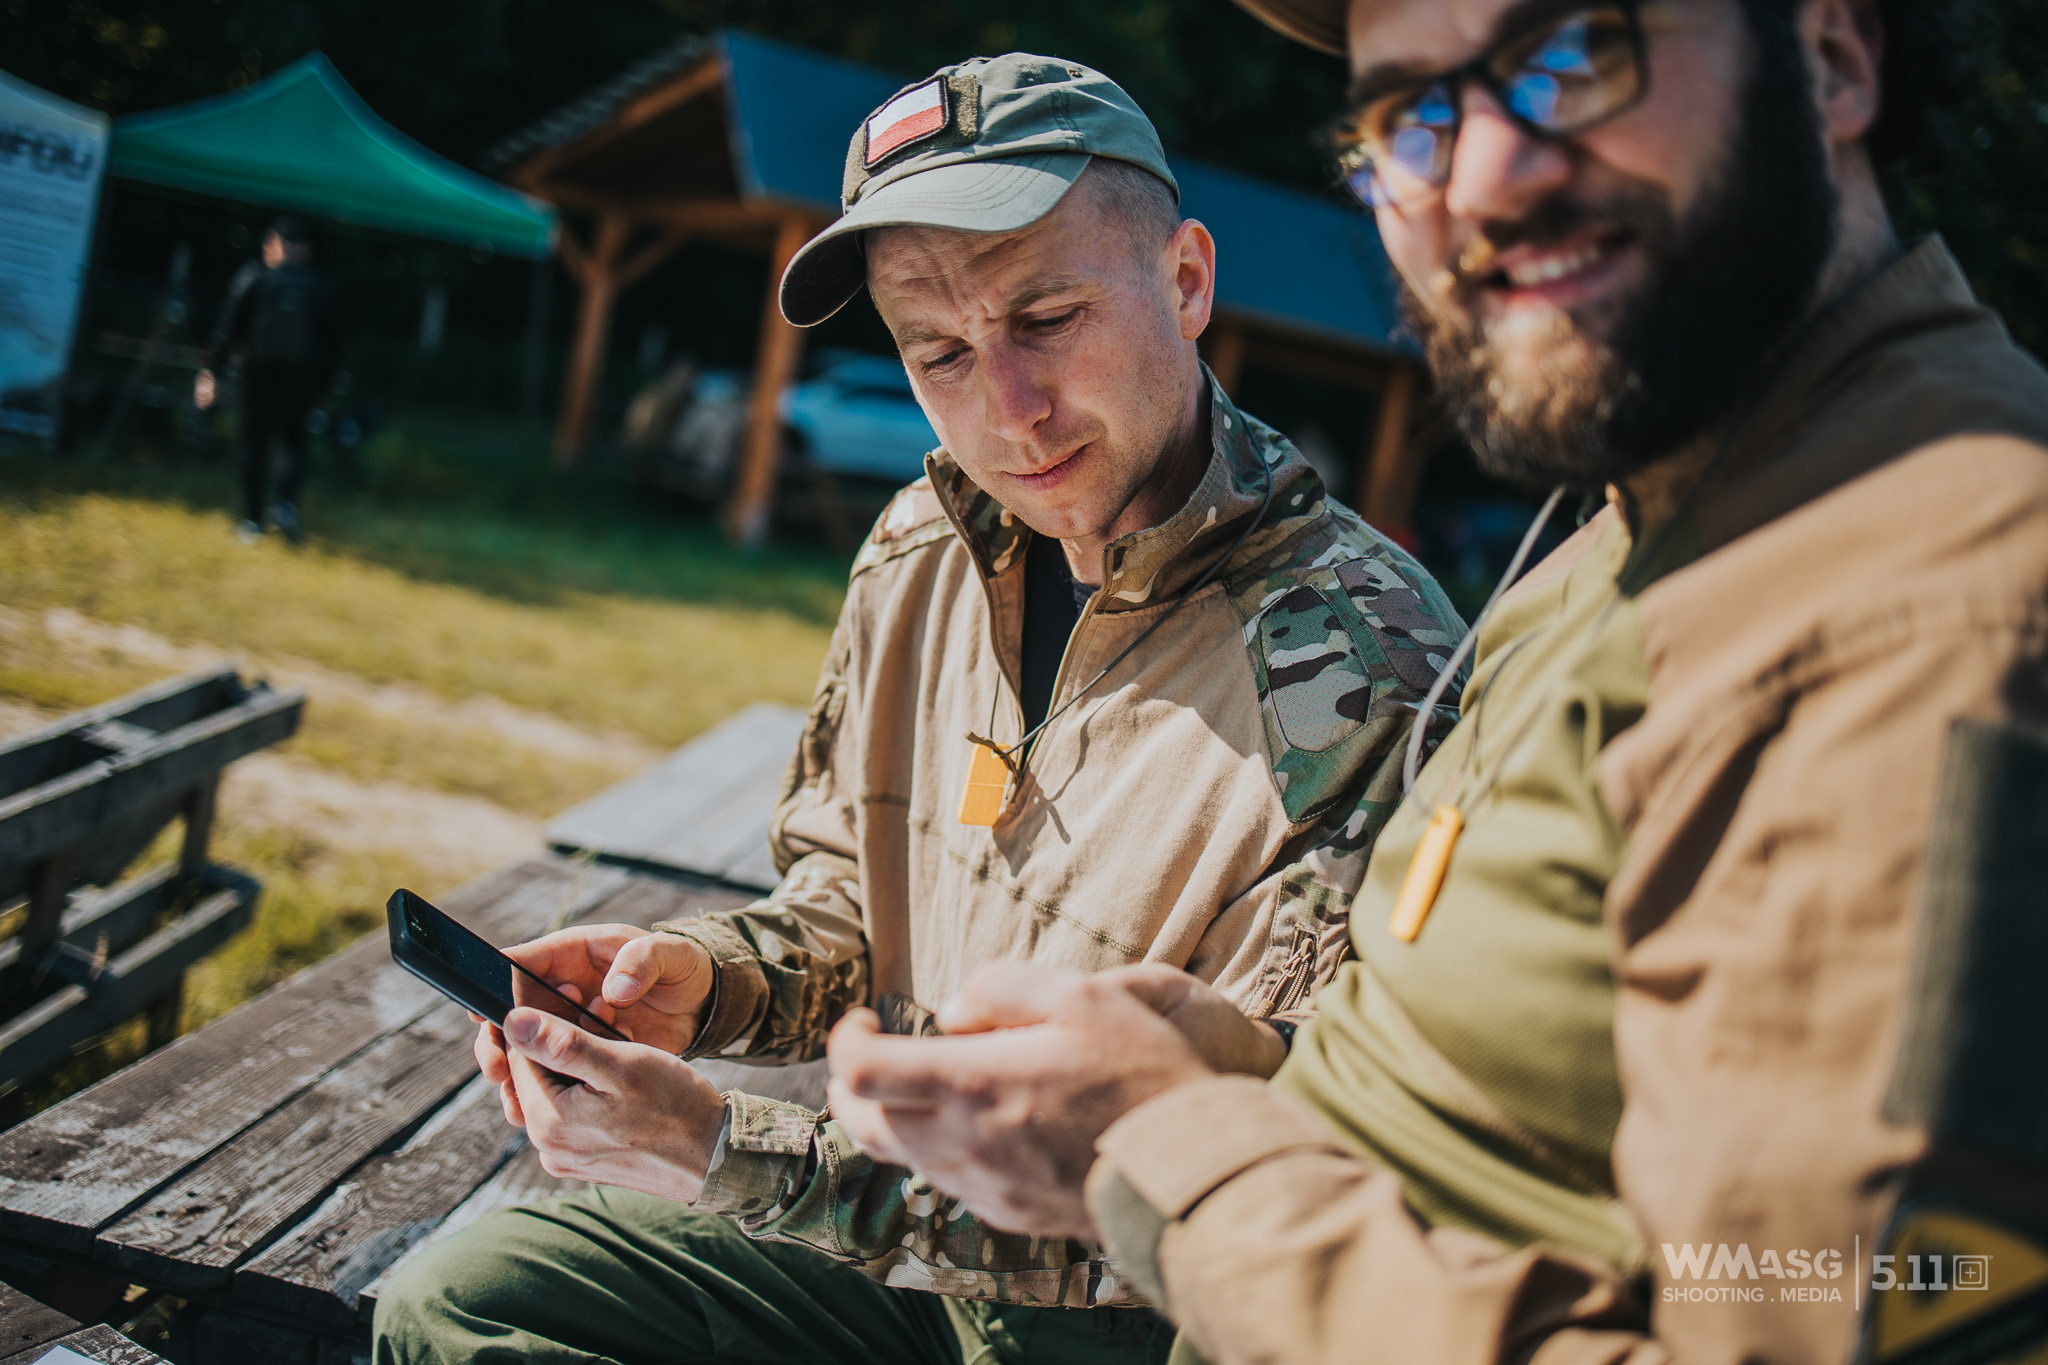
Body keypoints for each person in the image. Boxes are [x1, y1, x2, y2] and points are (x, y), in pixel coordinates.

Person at [822, 2, 2048, 1363]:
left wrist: (1179, 1150)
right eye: (1414, 112)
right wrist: (1233, 1070)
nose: (1484, 178)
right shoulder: (1649, 532)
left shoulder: (1923, 607)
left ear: (1832, 57)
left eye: (1576, 56)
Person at [372, 54, 1467, 1365]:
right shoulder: (922, 546)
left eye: (1049, 317)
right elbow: (854, 909)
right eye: (938, 352)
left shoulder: (1368, 663)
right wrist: (699, 985)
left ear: (1186, 279)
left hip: (1133, 1317)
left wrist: (724, 1145)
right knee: (456, 1304)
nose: (1005, 411)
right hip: (894, 1237)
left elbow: (1255, 1193)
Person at [197, 215, 339, 544]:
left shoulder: (255, 278)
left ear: (276, 244)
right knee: (294, 444)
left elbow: (228, 329)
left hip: (256, 376)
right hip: (301, 382)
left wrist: (212, 373)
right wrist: (325, 387)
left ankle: (252, 521)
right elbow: (334, 344)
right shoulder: (321, 287)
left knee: (254, 446)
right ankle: (286, 506)